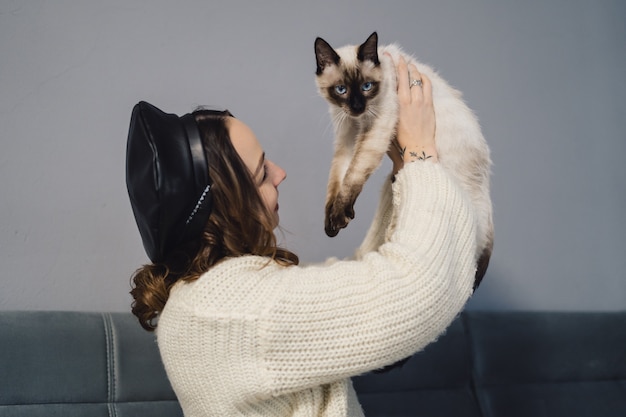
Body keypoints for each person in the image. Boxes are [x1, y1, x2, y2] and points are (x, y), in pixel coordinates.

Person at [125, 56, 477, 416]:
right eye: (262, 172)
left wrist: (403, 168)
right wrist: (421, 152)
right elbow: (414, 294)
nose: (280, 174)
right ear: (226, 206)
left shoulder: (213, 296)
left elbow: (358, 290)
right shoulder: (233, 308)